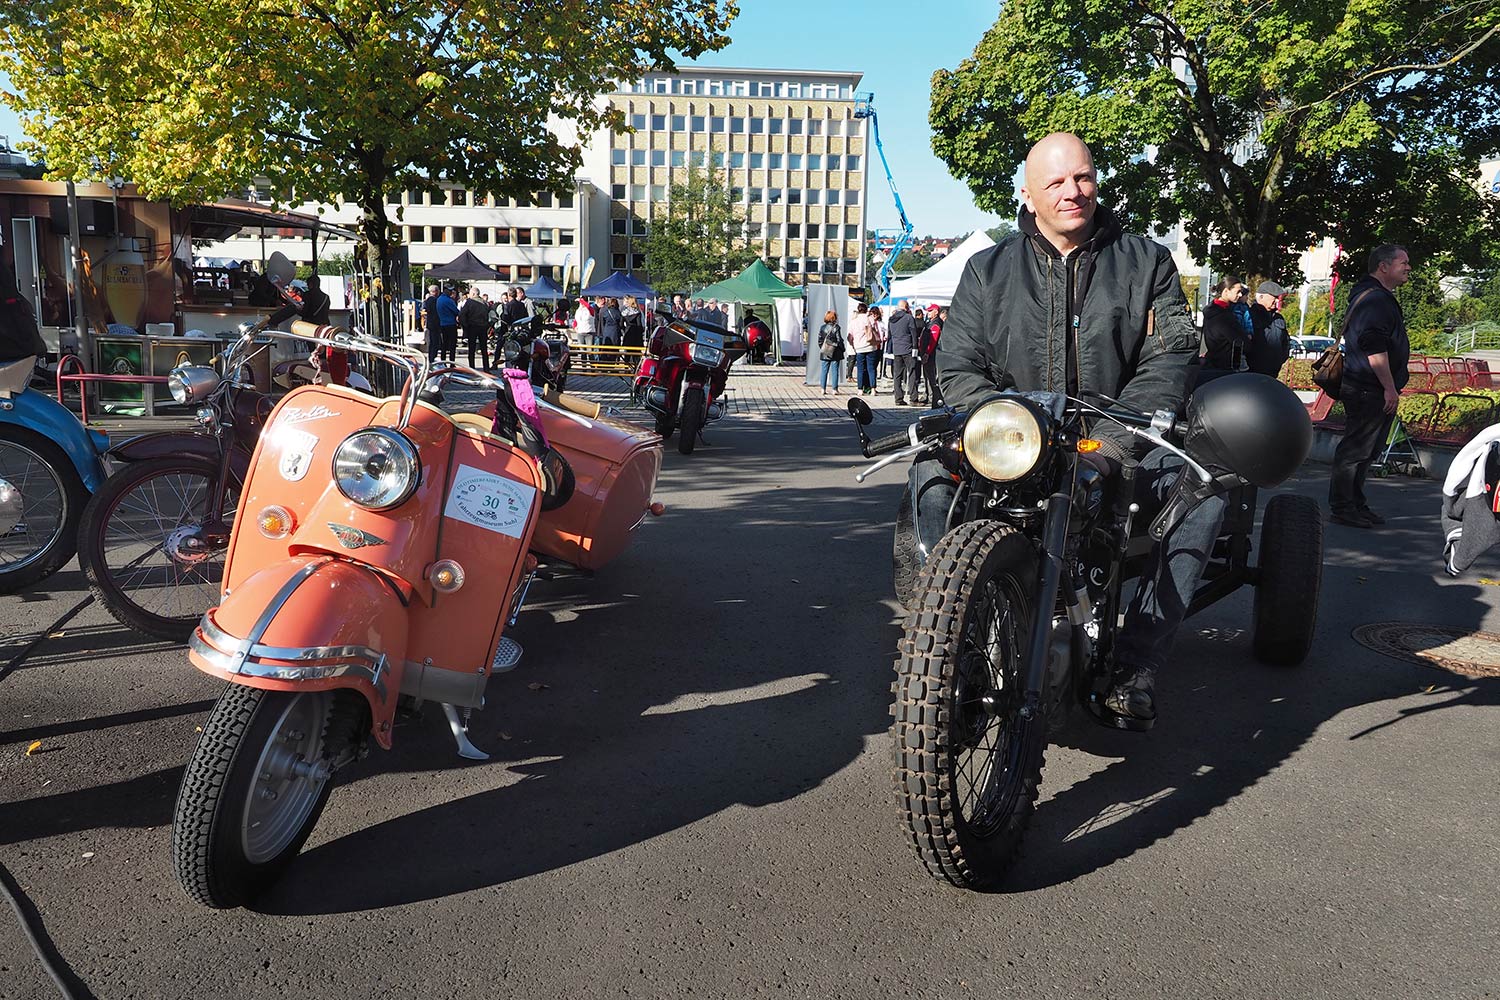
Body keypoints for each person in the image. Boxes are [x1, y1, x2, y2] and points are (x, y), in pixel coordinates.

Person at [931, 131, 1209, 726]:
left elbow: (1169, 359)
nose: (1071, 191)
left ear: (1096, 182)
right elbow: (957, 364)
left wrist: (1113, 440)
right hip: (1015, 439)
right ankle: (945, 649)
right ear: (1029, 196)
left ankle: (1136, 666)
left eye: (1081, 177)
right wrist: (1001, 426)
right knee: (929, 477)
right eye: (1055, 181)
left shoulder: (1147, 261)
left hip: (1116, 437)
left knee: (1198, 494)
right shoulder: (987, 269)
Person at [1329, 244, 1412, 528]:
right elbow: (1373, 346)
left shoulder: (1377, 298)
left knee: (1367, 450)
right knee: (1356, 450)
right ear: (1383, 266)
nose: (1408, 267)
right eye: (1403, 262)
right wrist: (1389, 387)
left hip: (1371, 387)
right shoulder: (1376, 301)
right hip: (1369, 388)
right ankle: (1343, 506)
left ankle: (1354, 503)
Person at [1201, 275, 1250, 371]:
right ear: (1226, 291)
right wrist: (1247, 342)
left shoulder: (1214, 311)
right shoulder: (1223, 316)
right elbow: (1238, 341)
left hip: (1215, 362)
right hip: (1226, 365)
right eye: (1238, 292)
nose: (1240, 295)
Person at [1247, 280, 1292, 377]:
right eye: (1274, 297)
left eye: (1277, 298)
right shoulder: (1249, 316)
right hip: (1251, 373)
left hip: (1272, 373)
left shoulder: (1278, 319)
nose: (1277, 300)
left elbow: (1286, 342)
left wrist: (1279, 359)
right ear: (1261, 296)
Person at [886, 300, 918, 405]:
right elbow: (914, 334)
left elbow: (889, 335)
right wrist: (915, 348)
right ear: (906, 307)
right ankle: (913, 398)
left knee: (897, 375)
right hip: (908, 348)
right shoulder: (909, 318)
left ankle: (898, 398)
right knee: (912, 373)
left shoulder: (891, 319)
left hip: (897, 349)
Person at [846, 303, 880, 395]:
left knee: (860, 369)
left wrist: (853, 345)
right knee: (871, 368)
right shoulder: (870, 319)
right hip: (871, 346)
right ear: (866, 310)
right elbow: (876, 331)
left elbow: (849, 337)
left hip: (859, 347)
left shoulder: (853, 321)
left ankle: (860, 389)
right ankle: (873, 389)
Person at [459, 287, 491, 370]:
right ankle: (486, 367)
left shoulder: (469, 302)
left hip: (472, 327)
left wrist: (465, 326)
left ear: (473, 294)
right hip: (483, 327)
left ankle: (472, 368)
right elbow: (489, 315)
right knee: (484, 349)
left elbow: (462, 314)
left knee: (472, 349)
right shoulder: (484, 302)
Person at [919, 304, 944, 406]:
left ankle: (934, 398)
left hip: (932, 356)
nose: (928, 313)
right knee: (927, 377)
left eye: (930, 311)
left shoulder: (936, 324)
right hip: (928, 355)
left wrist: (927, 353)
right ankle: (930, 395)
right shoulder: (930, 323)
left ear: (936, 312)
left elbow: (933, 340)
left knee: (932, 378)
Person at [816, 309, 844, 394]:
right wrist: (842, 348)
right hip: (835, 351)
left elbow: (820, 340)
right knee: (835, 370)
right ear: (834, 318)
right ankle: (834, 389)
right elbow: (839, 340)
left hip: (825, 351)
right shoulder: (836, 327)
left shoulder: (822, 327)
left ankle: (822, 388)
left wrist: (823, 348)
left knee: (824, 370)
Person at [434, 285, 459, 363]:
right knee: (452, 345)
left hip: (442, 324)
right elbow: (456, 311)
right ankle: (452, 362)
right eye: (450, 290)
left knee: (444, 344)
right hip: (450, 324)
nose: (451, 292)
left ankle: (443, 361)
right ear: (445, 290)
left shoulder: (439, 299)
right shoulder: (448, 300)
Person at [420, 283, 442, 361]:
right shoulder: (434, 300)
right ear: (435, 291)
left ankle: (431, 357)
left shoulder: (428, 300)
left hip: (431, 323)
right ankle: (432, 357)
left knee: (432, 341)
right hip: (435, 323)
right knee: (434, 341)